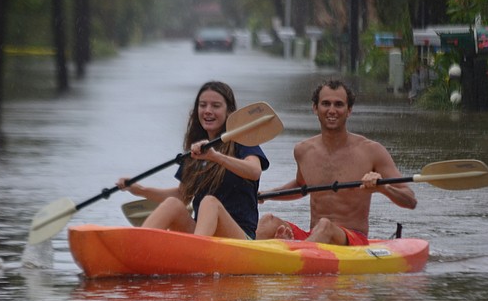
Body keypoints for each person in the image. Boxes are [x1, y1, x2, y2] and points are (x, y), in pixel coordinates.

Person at [256, 78, 416, 245]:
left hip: (352, 239)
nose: (332, 110)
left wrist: (384, 188)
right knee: (268, 221)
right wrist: (266, 194)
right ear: (315, 108)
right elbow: (301, 186)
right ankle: (262, 257)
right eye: (326, 104)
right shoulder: (303, 150)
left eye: (338, 104)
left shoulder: (372, 151)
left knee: (325, 226)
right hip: (315, 235)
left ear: (349, 110)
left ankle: (295, 254)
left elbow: (410, 200)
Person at [117, 81, 269, 239]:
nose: (208, 111)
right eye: (203, 105)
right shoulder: (195, 150)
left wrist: (216, 157)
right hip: (204, 234)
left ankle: (197, 250)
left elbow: (254, 171)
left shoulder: (242, 141)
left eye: (216, 106)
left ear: (229, 112)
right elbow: (182, 196)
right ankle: (137, 244)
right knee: (172, 204)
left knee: (210, 203)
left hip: (240, 239)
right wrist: (140, 190)